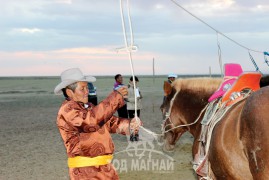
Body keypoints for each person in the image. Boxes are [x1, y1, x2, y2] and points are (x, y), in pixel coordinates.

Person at [54, 68, 142, 180]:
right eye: (82, 88)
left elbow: (110, 123)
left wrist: (130, 125)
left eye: (87, 87)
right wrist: (116, 97)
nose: (87, 91)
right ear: (69, 92)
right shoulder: (67, 110)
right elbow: (91, 122)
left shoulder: (89, 107)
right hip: (85, 172)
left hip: (105, 169)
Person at [126, 76, 142, 142]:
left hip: (137, 107)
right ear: (130, 81)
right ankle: (132, 136)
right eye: (133, 81)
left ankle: (136, 135)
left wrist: (139, 97)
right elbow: (126, 98)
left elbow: (139, 97)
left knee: (137, 122)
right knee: (132, 122)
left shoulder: (137, 88)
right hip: (131, 107)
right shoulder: (127, 88)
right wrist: (135, 99)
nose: (135, 82)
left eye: (136, 81)